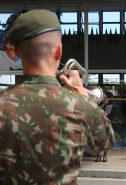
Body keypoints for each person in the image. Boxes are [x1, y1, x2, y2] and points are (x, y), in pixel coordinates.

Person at [0, 9, 115, 185]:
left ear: (15, 53)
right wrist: (84, 94)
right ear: (59, 52)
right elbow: (105, 142)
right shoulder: (79, 105)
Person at [95, 94, 113, 162]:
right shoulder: (96, 106)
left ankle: (105, 156)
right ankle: (98, 156)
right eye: (101, 98)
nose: (102, 99)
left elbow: (112, 116)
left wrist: (107, 115)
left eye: (103, 98)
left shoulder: (108, 106)